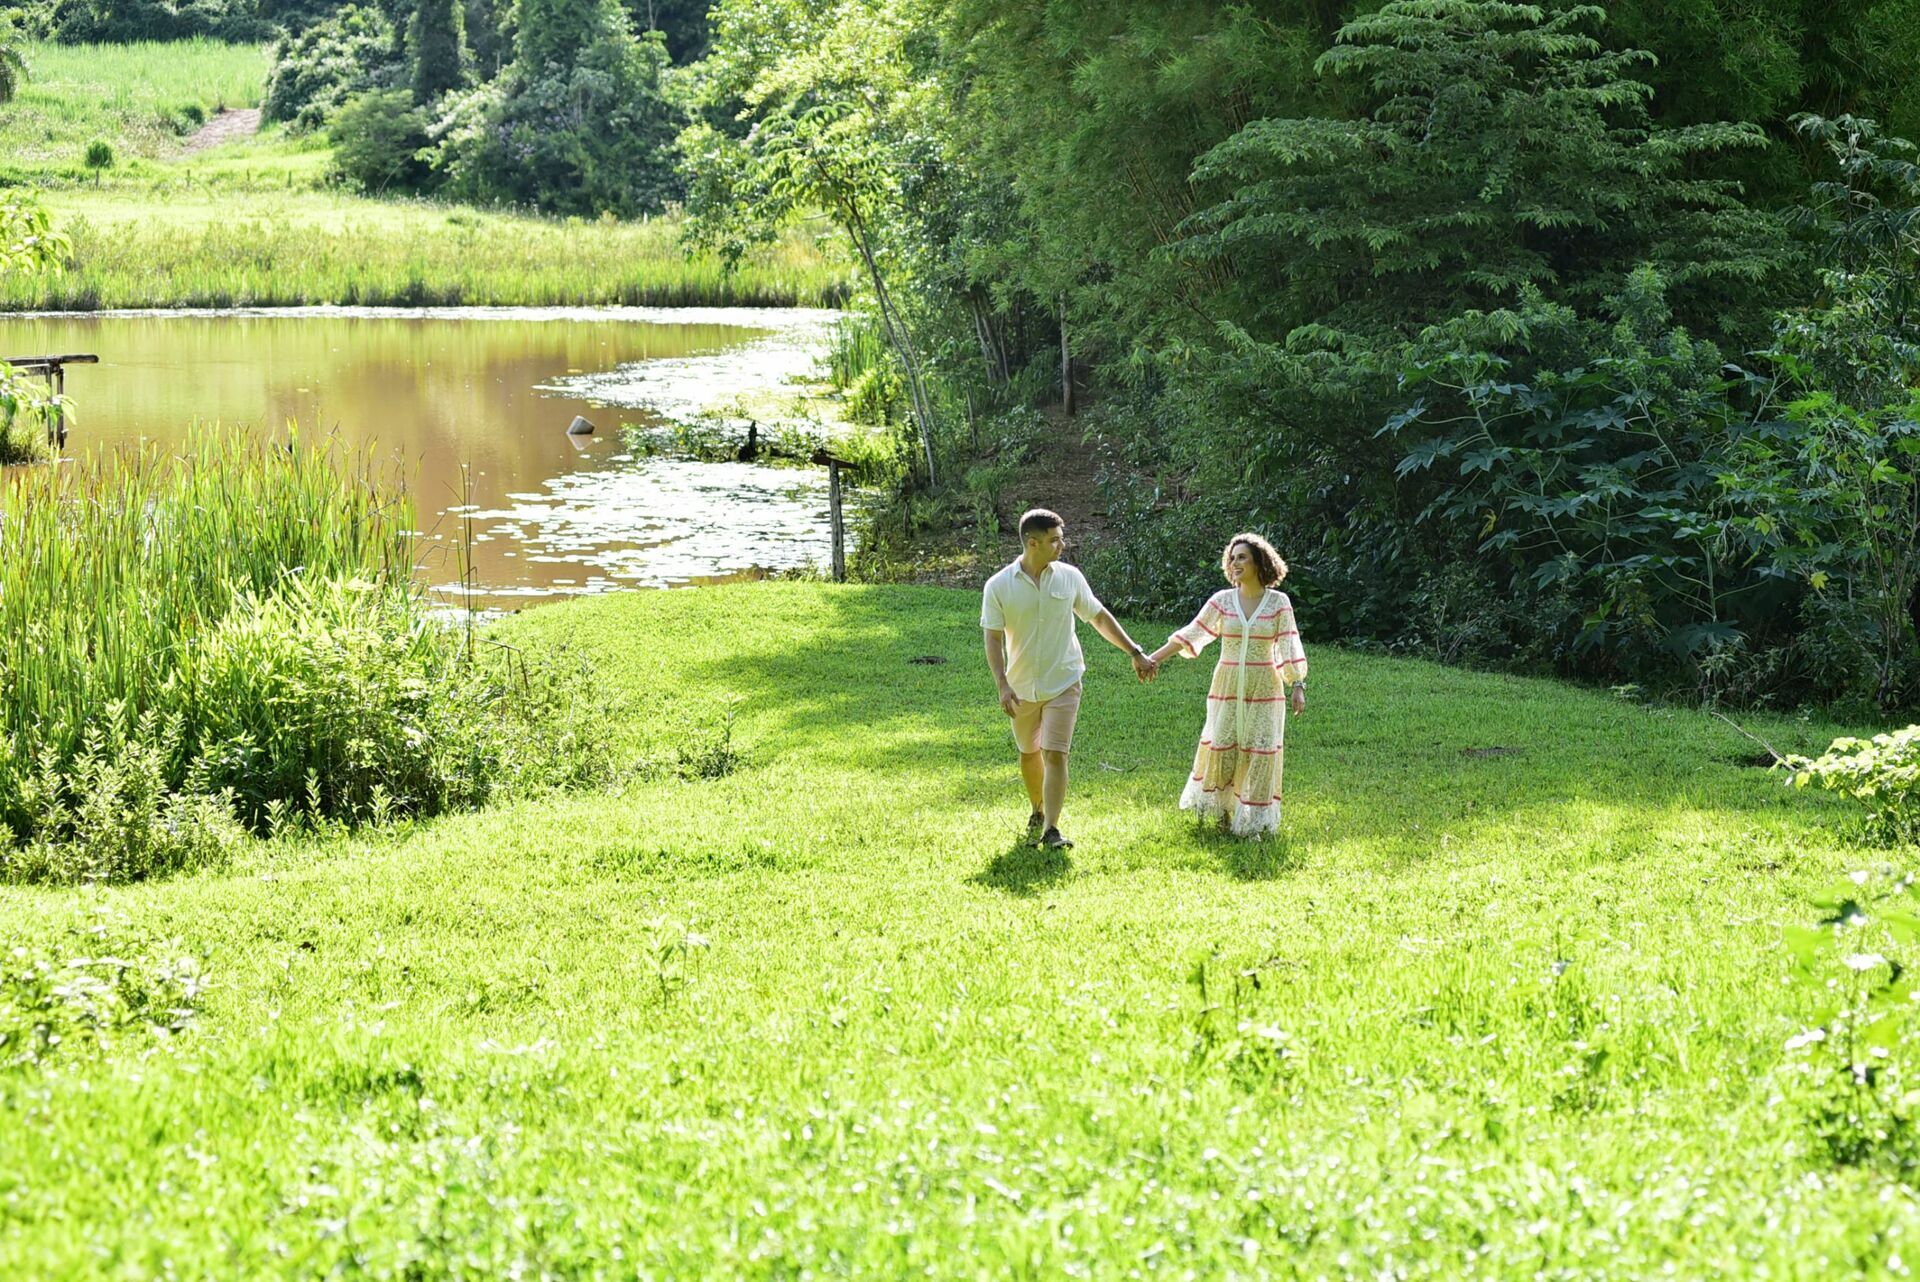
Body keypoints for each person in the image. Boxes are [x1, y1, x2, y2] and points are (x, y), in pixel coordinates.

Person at [982, 509, 1157, 850]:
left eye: (1061, 538)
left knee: (1056, 754)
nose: (1062, 545)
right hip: (1020, 688)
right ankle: (1037, 809)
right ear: (1032, 543)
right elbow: (992, 638)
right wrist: (1002, 684)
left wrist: (1134, 651)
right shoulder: (998, 586)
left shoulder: (1069, 577)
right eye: (1054, 540)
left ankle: (1051, 829)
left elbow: (1099, 617)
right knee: (1029, 752)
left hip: (1064, 680)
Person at [1145, 532, 1308, 839]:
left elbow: (1289, 645)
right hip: (1227, 687)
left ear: (1260, 562)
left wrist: (1297, 684)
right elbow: (1192, 633)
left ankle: (1254, 823)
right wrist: (1151, 659)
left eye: (1242, 557)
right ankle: (1221, 812)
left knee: (1262, 751)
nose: (1235, 563)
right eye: (1232, 558)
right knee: (1223, 745)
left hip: (1265, 689)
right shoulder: (1221, 601)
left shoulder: (1278, 603)